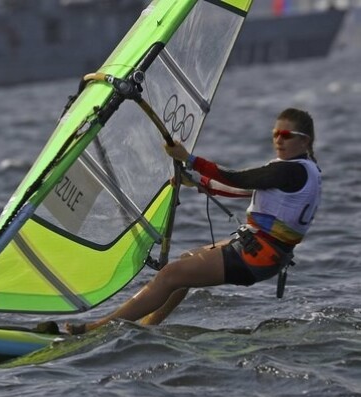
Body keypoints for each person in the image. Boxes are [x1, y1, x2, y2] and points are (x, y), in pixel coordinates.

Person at [65, 107, 322, 334]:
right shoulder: (304, 171)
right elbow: (242, 191)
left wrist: (189, 159)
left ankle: (99, 328)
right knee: (187, 261)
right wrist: (197, 181)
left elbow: (237, 179)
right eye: (275, 133)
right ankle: (147, 327)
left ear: (305, 141)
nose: (278, 139)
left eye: (286, 136)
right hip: (262, 252)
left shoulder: (290, 170)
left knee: (169, 276)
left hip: (256, 255)